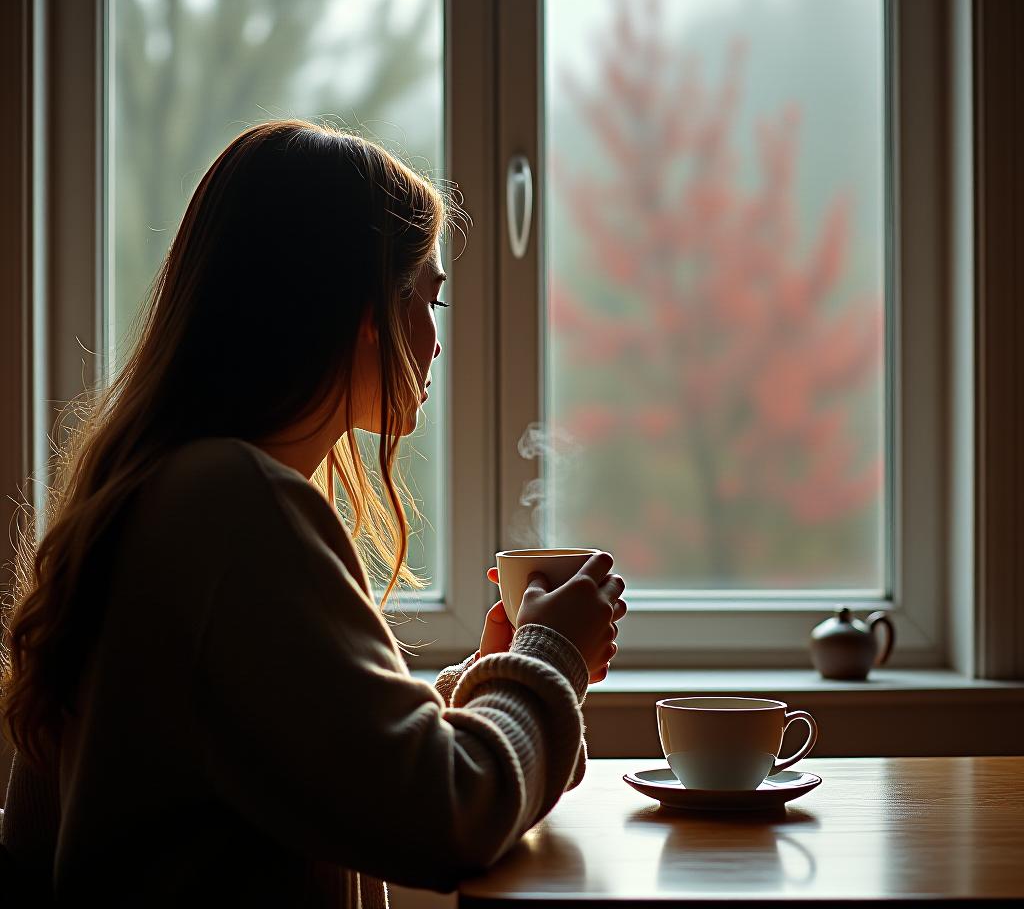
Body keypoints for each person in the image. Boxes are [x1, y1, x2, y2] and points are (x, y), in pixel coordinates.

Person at [0, 120, 627, 907]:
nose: (435, 344)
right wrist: (550, 654)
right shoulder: (234, 508)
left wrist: (492, 681)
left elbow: (330, 769)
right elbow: (449, 818)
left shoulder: (155, 496)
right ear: (361, 307)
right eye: (426, 297)